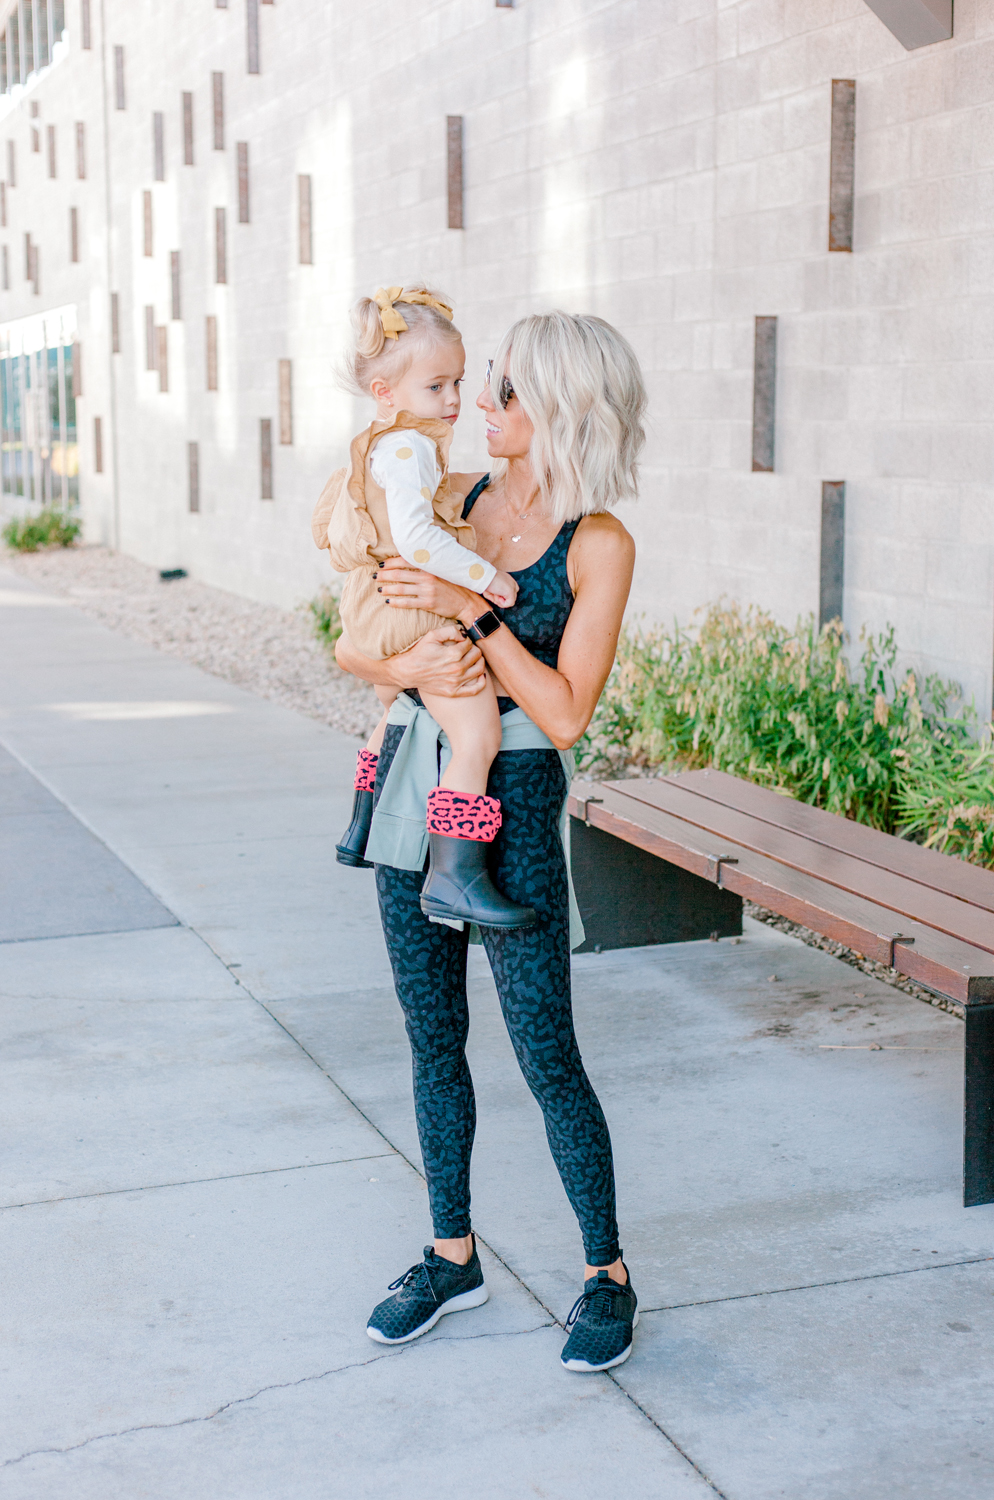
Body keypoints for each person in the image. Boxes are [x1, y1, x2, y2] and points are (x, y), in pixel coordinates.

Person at [335, 309, 648, 1373]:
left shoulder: (597, 543)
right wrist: (409, 667)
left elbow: (564, 713)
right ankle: (450, 1255)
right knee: (432, 1038)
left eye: (504, 389)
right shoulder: (447, 497)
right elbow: (355, 642)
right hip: (416, 773)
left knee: (546, 1052)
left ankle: (607, 1273)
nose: (479, 403)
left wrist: (470, 616)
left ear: (560, 408)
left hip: (512, 790)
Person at [312, 284, 532, 929]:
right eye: (436, 387)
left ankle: (362, 824)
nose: (455, 399)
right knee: (478, 735)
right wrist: (486, 576)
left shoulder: (380, 442)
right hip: (409, 603)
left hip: (375, 601)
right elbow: (416, 537)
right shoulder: (408, 448)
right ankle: (455, 877)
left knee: (397, 710)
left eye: (457, 382)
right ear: (386, 392)